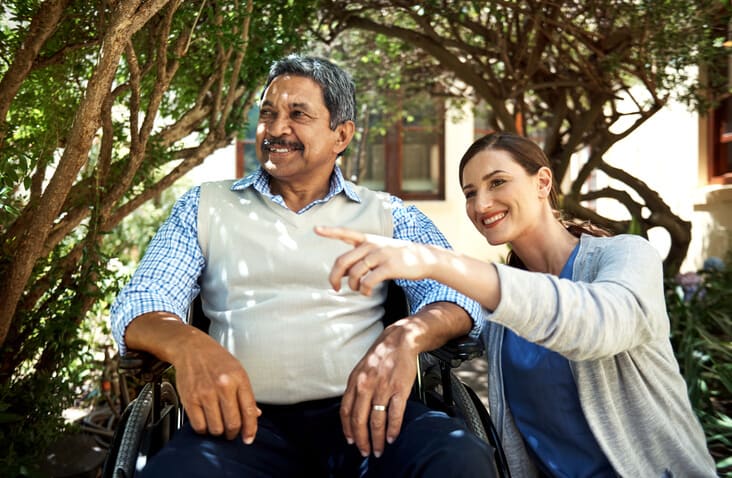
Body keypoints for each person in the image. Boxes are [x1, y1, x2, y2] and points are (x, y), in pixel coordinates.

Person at [110, 55, 496, 477]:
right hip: (239, 425)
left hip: (367, 420)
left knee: (459, 458)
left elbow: (458, 295)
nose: (276, 129)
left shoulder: (389, 216)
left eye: (298, 115)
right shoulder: (205, 206)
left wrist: (407, 336)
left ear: (341, 135)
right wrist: (187, 344)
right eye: (268, 114)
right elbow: (141, 302)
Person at [316, 132, 717, 477]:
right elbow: (459, 313)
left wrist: (435, 261)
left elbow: (598, 323)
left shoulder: (626, 256)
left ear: (542, 182)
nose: (481, 203)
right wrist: (405, 336)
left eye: (498, 182)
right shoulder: (499, 311)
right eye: (470, 193)